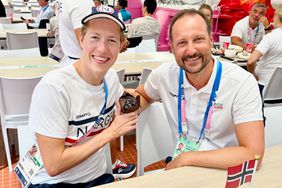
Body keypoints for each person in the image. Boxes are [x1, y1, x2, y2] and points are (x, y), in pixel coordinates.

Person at [134, 9, 264, 170]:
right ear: (171, 47)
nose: (191, 50)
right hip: (182, 170)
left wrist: (188, 158)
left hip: (224, 169)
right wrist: (124, 106)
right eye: (182, 43)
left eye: (198, 39)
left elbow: (254, 155)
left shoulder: (241, 83)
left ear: (211, 40)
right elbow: (142, 94)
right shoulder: (164, 75)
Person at [28, 5, 138, 187]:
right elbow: (54, 165)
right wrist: (111, 132)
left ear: (121, 46)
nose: (102, 49)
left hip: (97, 177)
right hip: (53, 183)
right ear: (81, 39)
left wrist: (148, 95)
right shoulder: (54, 88)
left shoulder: (110, 78)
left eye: (112, 40)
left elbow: (125, 97)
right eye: (95, 38)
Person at [247, 5, 282, 93]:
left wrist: (253, 75)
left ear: (276, 15)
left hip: (263, 86)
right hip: (279, 89)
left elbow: (250, 62)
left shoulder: (270, 37)